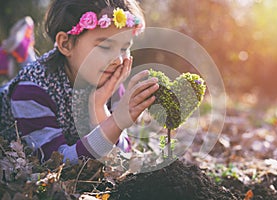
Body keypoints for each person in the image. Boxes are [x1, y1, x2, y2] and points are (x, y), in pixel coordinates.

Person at [0, 0, 159, 164]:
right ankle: (22, 54)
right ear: (65, 44)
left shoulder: (109, 80)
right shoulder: (30, 93)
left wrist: (99, 108)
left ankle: (23, 51)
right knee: (31, 71)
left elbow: (120, 158)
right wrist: (115, 122)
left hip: (60, 68)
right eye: (105, 47)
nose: (118, 60)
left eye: (124, 48)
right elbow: (57, 163)